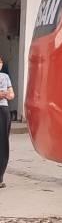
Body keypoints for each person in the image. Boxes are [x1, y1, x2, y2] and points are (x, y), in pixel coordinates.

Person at [0, 53, 12, 189]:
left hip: (3, 110)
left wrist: (8, 95)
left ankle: (0, 176)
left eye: (1, 62)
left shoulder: (5, 77)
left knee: (3, 142)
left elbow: (11, 93)